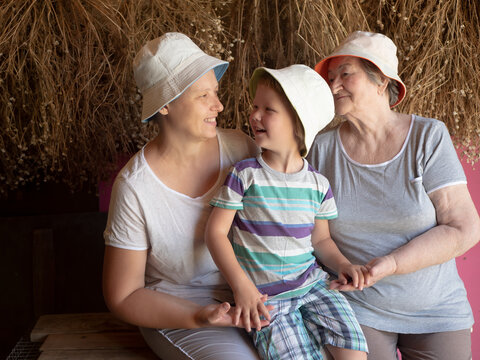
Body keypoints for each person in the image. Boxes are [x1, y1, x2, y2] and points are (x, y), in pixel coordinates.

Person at [307, 30, 480, 360]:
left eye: (345, 74)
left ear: (381, 81)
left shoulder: (427, 136)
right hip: (359, 308)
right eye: (331, 77)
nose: (333, 86)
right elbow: (318, 238)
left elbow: (464, 227)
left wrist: (392, 264)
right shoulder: (322, 149)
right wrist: (346, 267)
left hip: (437, 309)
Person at [102, 32, 271, 360]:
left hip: (256, 299)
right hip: (181, 313)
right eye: (202, 96)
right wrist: (198, 316)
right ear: (164, 105)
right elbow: (123, 295)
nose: (218, 105)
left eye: (216, 93)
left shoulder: (242, 149)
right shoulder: (135, 188)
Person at [205, 64, 369, 360]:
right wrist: (242, 288)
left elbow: (320, 241)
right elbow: (215, 233)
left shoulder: (318, 184)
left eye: (268, 109)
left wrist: (344, 264)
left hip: (312, 285)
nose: (255, 115)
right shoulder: (244, 175)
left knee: (353, 351)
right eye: (255, 106)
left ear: (298, 122)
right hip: (265, 298)